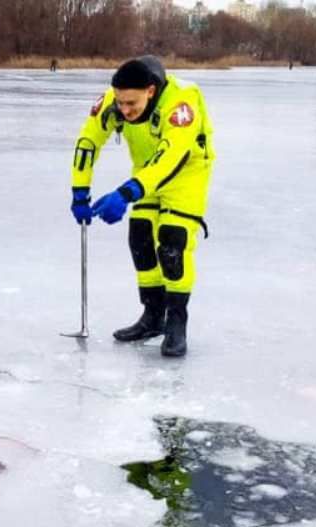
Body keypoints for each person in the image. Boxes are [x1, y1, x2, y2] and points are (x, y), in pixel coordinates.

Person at [69, 56, 214, 357]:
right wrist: (79, 191)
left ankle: (176, 322)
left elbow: (171, 157)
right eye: (120, 103)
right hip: (146, 172)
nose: (124, 110)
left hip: (185, 174)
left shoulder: (181, 103)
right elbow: (88, 142)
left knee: (173, 245)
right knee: (141, 237)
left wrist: (126, 193)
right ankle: (152, 315)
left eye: (131, 104)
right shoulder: (115, 98)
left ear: (150, 91)